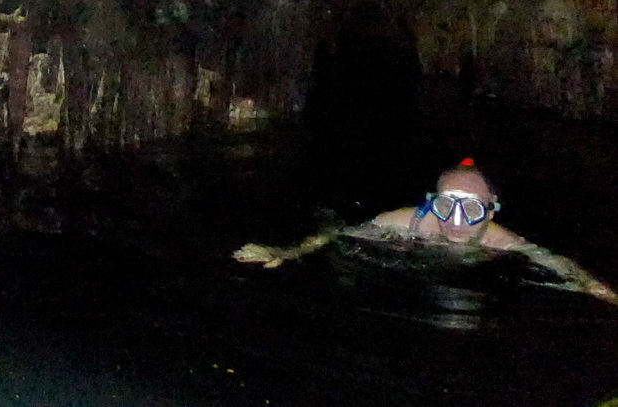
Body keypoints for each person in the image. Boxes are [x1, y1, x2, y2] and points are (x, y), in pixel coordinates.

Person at [233, 158, 618, 304]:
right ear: (431, 202)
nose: (454, 220)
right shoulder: (411, 222)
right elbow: (338, 234)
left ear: (491, 209)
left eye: (470, 209)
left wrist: (597, 288)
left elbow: (558, 264)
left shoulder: (503, 242)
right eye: (446, 205)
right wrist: (288, 253)